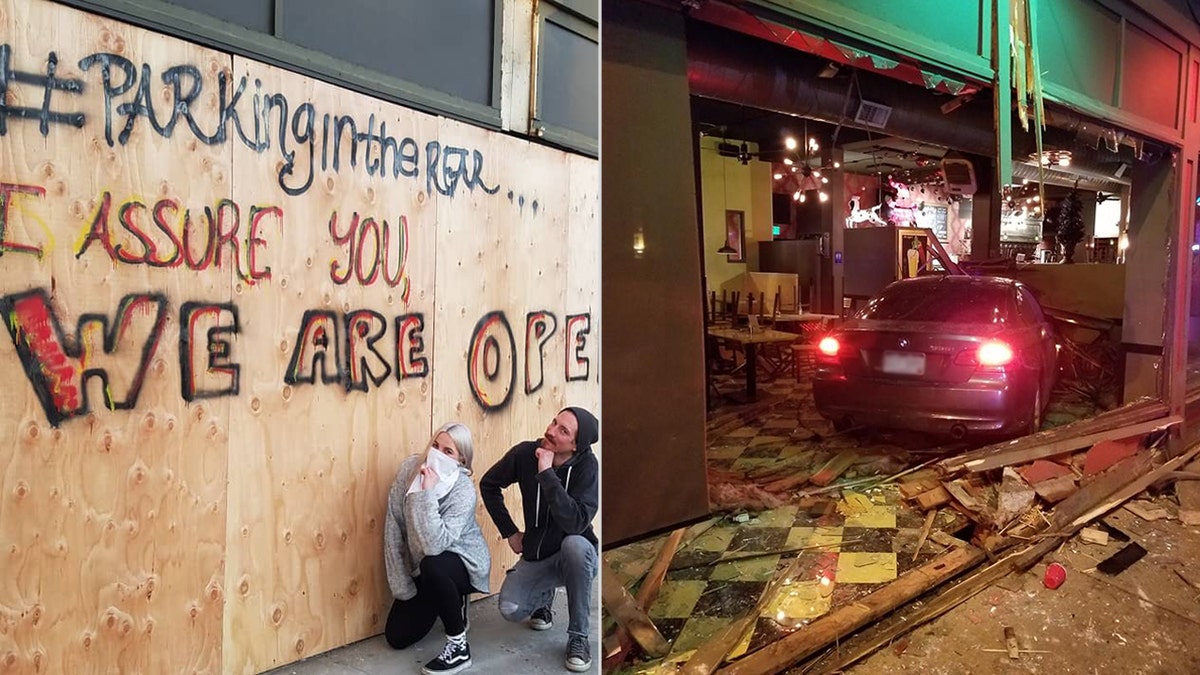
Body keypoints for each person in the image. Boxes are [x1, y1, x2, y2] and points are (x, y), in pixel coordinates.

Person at [480, 407, 600, 673]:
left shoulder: (587, 467)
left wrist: (546, 474)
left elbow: (576, 523)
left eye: (563, 430)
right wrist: (510, 531)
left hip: (577, 555)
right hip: (537, 554)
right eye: (554, 422)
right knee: (510, 609)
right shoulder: (525, 454)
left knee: (575, 545)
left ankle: (578, 637)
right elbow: (489, 484)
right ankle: (543, 598)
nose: (551, 430)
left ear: (576, 446)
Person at [384, 422, 491, 675]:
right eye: (435, 446)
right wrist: (402, 586)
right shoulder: (410, 470)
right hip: (425, 567)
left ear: (461, 460)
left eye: (448, 452)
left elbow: (434, 545)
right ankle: (449, 601)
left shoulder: (463, 490)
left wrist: (427, 493)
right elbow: (393, 527)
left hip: (463, 561)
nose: (438, 455)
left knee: (434, 565)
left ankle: (459, 647)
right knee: (396, 637)